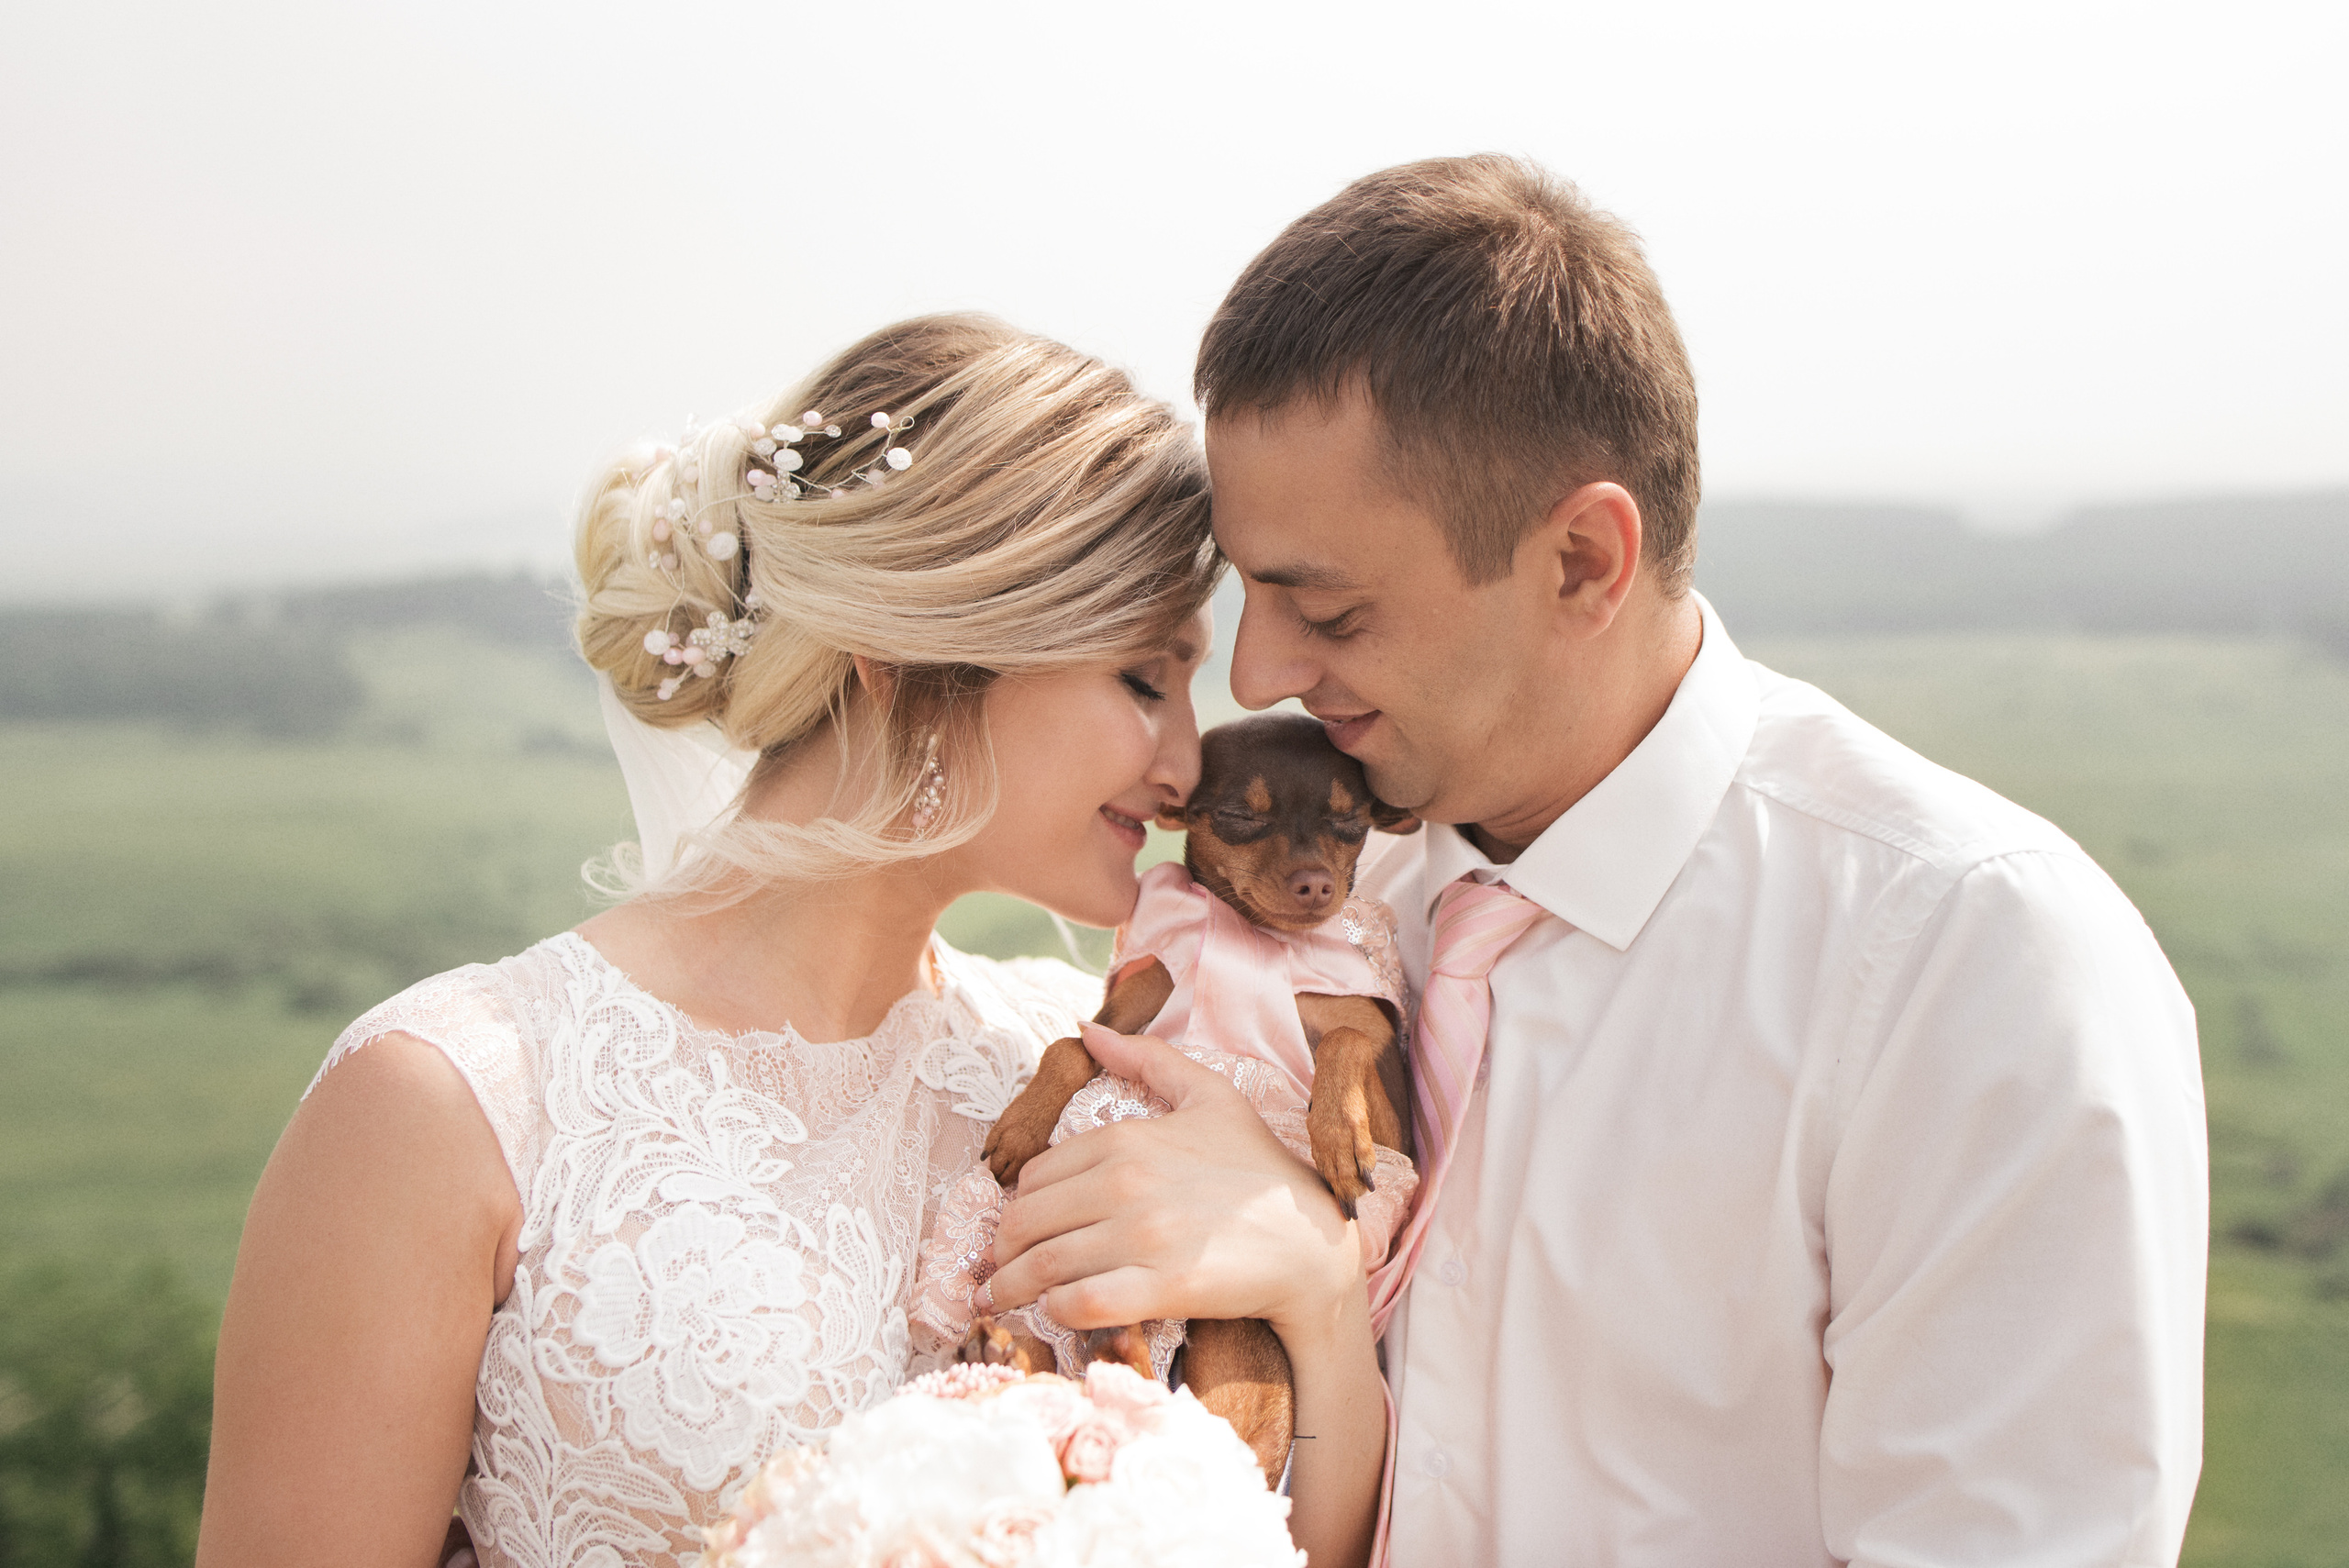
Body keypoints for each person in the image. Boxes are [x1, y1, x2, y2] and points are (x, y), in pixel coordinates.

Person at [996, 157, 2210, 1564]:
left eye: (1325, 606)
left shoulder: (1965, 961)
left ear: (1581, 559)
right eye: (1249, 595)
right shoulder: (1332, 904)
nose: (1261, 669)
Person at [195, 315, 1390, 1568]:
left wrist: (1316, 1283)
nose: (1186, 763)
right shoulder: (450, 1102)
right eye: (1145, 680)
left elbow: (1302, 1540)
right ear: (910, 655)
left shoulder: (1086, 1061)